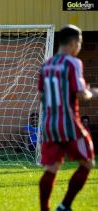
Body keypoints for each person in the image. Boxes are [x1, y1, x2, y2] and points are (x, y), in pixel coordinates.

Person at [38, 25, 97, 211]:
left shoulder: (45, 65)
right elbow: (80, 95)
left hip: (49, 124)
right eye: (79, 43)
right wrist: (92, 93)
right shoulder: (73, 63)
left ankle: (44, 208)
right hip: (69, 123)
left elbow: (41, 96)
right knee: (88, 162)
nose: (79, 47)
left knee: (52, 168)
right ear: (73, 43)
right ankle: (64, 206)